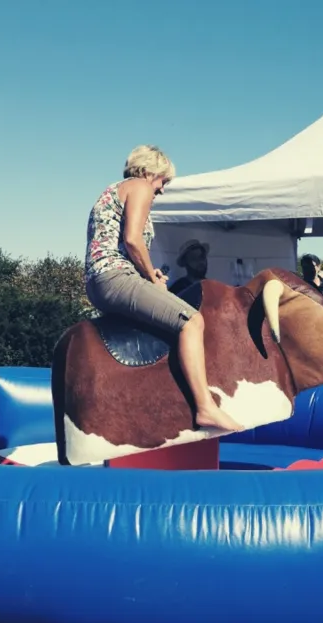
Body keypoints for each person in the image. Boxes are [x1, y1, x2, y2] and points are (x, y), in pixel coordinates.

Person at [83, 145, 243, 433]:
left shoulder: (111, 191)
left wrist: (148, 272)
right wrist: (152, 277)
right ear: (149, 172)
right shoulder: (140, 187)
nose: (162, 189)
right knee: (192, 321)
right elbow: (133, 240)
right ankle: (205, 407)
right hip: (116, 276)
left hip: (99, 280)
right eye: (163, 181)